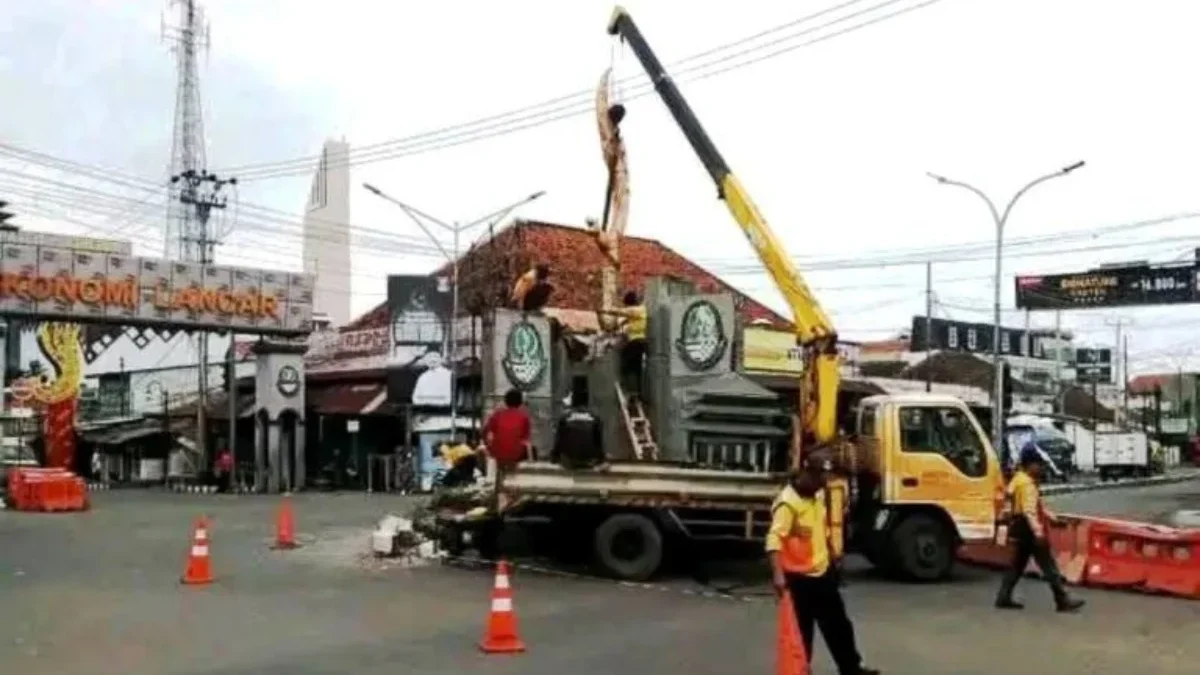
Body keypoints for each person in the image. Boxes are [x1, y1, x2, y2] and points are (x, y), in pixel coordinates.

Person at [767, 453, 879, 675]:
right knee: (802, 633)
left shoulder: (816, 495)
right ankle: (799, 670)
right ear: (807, 475)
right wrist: (778, 576)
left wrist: (832, 556)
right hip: (799, 580)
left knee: (839, 626)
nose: (823, 484)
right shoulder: (788, 504)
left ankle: (851, 668)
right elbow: (773, 541)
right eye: (820, 479)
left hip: (822, 573)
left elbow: (821, 529)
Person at [995, 446, 1086, 612]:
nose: (1041, 468)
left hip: (1019, 526)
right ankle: (1062, 599)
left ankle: (1003, 596)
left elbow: (1035, 506)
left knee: (1017, 564)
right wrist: (1038, 533)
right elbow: (1030, 511)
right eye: (1039, 464)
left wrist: (1053, 518)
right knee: (1049, 565)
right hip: (1029, 529)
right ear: (1030, 465)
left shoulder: (1017, 480)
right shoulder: (1027, 484)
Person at [600, 290, 647, 400]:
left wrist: (605, 310)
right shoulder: (640, 312)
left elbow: (620, 312)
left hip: (635, 342)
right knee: (637, 369)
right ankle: (637, 393)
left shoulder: (637, 310)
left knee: (625, 366)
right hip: (641, 343)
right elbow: (627, 320)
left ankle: (628, 391)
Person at [550, 379, 605, 470]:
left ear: (573, 400)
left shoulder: (565, 417)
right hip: (589, 461)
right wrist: (601, 459)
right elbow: (599, 443)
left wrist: (554, 457)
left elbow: (558, 441)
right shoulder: (595, 417)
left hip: (569, 461)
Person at [483, 389, 532, 472]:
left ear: (506, 401)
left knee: (499, 459)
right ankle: (512, 473)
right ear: (520, 402)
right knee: (514, 454)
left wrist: (489, 445)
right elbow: (526, 439)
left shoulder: (497, 414)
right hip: (516, 452)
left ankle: (500, 475)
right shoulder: (524, 417)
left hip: (497, 450)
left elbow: (486, 432)